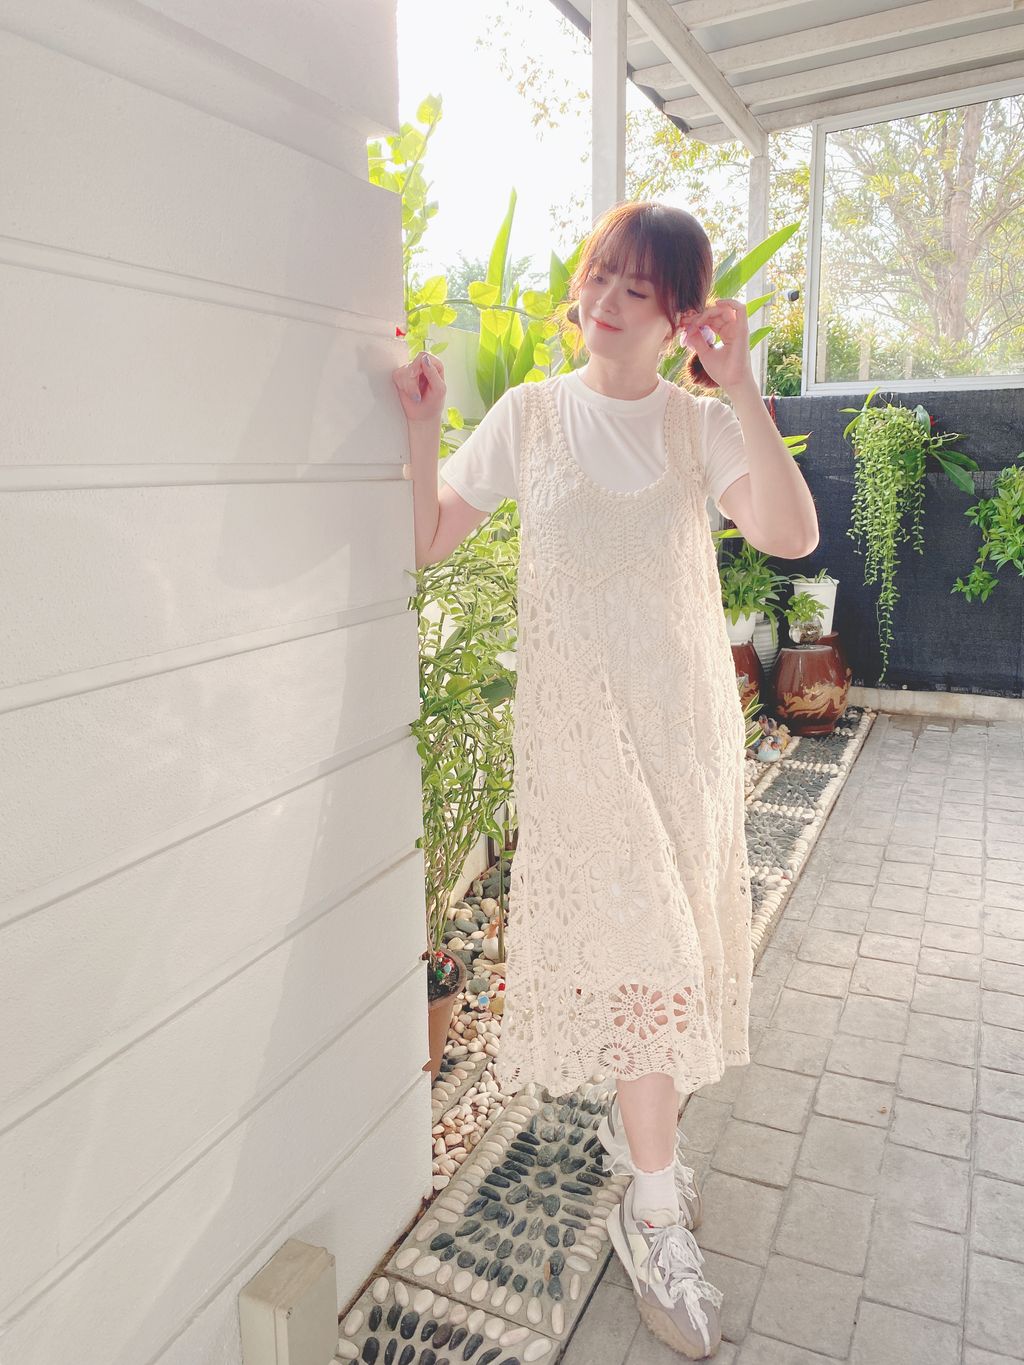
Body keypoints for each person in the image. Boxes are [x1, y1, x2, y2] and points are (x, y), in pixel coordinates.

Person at [393, 201, 819, 1360]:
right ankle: (653, 1210)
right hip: (579, 745)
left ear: (679, 314)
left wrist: (739, 387)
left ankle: (645, 1156)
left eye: (639, 288)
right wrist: (425, 430)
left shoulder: (696, 426)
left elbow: (789, 535)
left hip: (682, 736)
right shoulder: (530, 417)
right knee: (643, 959)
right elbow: (425, 538)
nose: (608, 302)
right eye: (600, 278)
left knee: (664, 959)